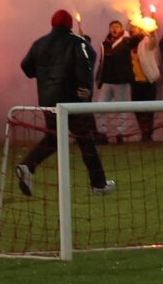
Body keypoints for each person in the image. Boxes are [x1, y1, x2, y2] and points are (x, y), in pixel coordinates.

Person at [15, 10, 110, 198]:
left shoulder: (39, 43)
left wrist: (43, 74)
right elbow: (88, 60)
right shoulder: (78, 42)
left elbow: (26, 67)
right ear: (70, 24)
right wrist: (85, 89)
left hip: (48, 100)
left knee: (53, 138)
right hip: (72, 100)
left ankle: (28, 166)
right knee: (85, 139)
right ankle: (98, 184)